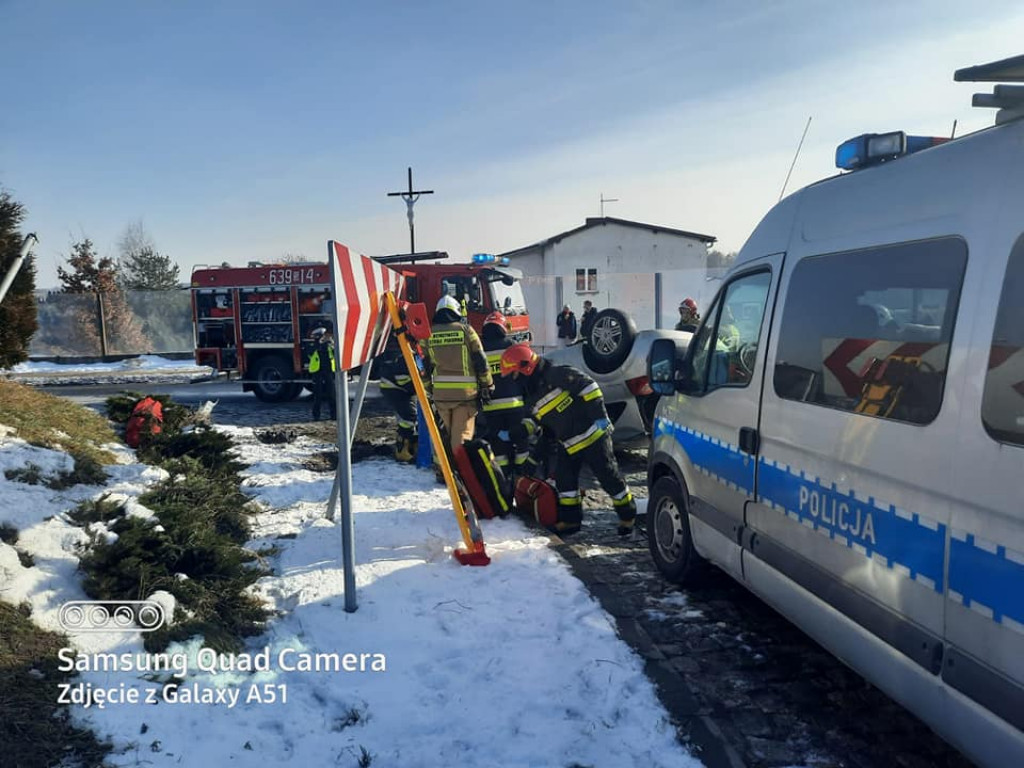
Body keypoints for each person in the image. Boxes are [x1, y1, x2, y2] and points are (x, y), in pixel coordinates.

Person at [499, 343, 637, 536]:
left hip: (593, 436)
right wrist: (518, 437)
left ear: (525, 367)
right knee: (565, 482)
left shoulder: (557, 374)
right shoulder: (531, 397)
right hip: (569, 444)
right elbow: (540, 428)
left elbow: (589, 387)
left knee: (608, 476)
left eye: (514, 374)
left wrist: (599, 416)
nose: (514, 380)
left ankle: (628, 515)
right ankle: (570, 521)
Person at [422, 295, 493, 457]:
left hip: (441, 397)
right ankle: (461, 474)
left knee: (445, 437)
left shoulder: (427, 335)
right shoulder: (467, 331)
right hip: (465, 396)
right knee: (461, 439)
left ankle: (444, 470)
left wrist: (429, 389)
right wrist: (487, 385)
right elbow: (481, 361)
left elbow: (422, 367)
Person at [478, 311, 529, 482]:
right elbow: (525, 373)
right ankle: (523, 477)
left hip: (491, 409)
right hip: (515, 406)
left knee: (498, 448)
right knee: (521, 443)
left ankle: (503, 480)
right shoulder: (511, 345)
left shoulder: (479, 347)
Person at [378, 332, 418, 462]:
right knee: (409, 417)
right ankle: (402, 451)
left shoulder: (405, 352)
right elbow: (403, 379)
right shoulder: (402, 356)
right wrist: (419, 390)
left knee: (411, 417)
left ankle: (409, 445)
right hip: (394, 389)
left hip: (398, 388)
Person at [308, 325, 336, 421]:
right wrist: (319, 344)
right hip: (317, 372)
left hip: (328, 372)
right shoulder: (313, 346)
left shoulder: (329, 345)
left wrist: (330, 344)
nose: (325, 337)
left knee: (331, 394)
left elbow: (335, 353)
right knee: (317, 396)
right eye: (323, 336)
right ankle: (316, 416)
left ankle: (334, 415)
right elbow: (309, 354)